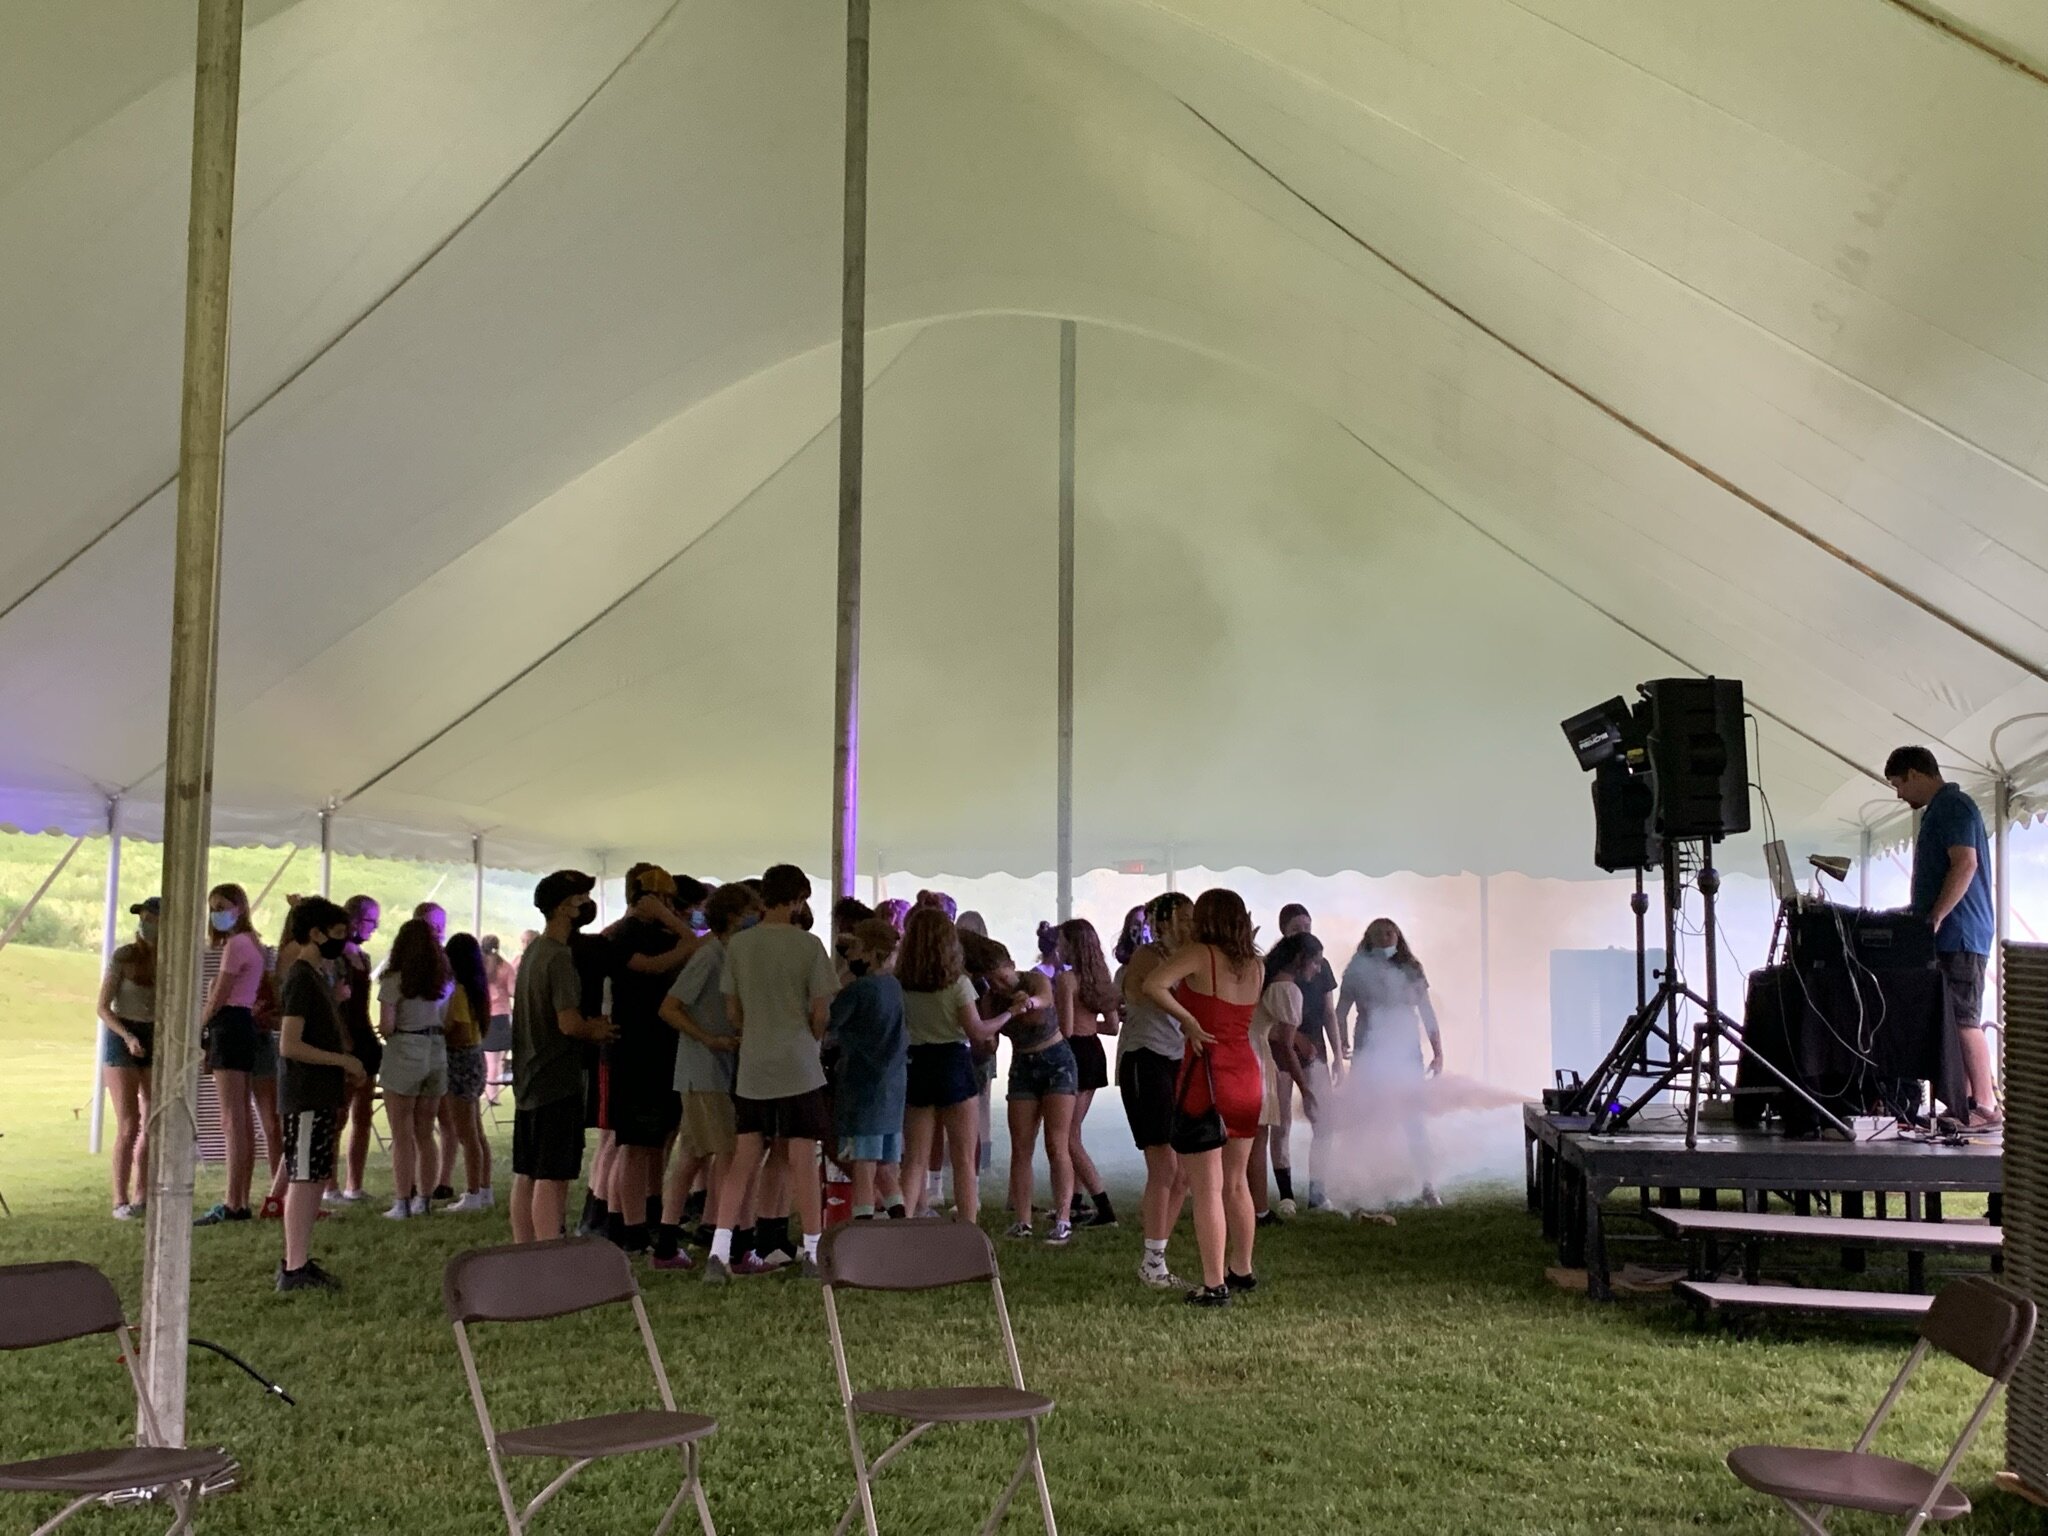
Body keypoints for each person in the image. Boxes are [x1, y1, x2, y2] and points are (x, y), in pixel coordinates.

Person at [703, 864, 839, 1283]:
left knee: (744, 1160)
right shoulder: (809, 946)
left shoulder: (740, 946)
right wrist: (809, 1037)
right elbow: (821, 1011)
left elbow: (731, 1010)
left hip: (754, 1066)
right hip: (799, 1065)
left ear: (762, 898)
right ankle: (814, 1252)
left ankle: (719, 1250)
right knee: (801, 1159)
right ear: (799, 899)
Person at [1142, 888, 1266, 1307]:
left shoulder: (1200, 954)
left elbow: (1152, 984)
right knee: (1237, 1182)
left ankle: (1214, 1284)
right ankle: (1242, 1267)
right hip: (1246, 1073)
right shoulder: (1255, 964)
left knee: (1207, 1187)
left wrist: (1189, 1021)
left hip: (1206, 1072)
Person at [1888, 746, 2001, 1129]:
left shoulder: (1954, 806)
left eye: (1899, 784)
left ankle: (1984, 1105)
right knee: (1952, 1020)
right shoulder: (1940, 810)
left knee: (1966, 1018)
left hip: (1961, 933)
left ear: (1916, 774)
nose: (1899, 795)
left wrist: (1935, 917)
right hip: (1948, 933)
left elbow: (1965, 863)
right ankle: (1961, 1103)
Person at [655, 882, 761, 1271]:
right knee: (730, 1156)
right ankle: (732, 1243)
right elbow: (670, 1008)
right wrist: (709, 1038)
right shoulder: (710, 955)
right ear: (733, 916)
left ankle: (668, 1243)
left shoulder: (734, 955)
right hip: (704, 1070)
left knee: (693, 1156)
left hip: (716, 1069)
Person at [510, 871, 616, 1243]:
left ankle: (524, 1248)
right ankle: (549, 1250)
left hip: (529, 1077)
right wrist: (596, 1029)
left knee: (527, 1171)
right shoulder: (558, 957)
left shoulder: (534, 952)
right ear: (562, 907)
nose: (586, 903)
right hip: (557, 1079)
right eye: (580, 897)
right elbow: (569, 1023)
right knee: (552, 1175)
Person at [605, 865, 700, 1252]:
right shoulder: (623, 937)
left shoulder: (662, 935)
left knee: (658, 1141)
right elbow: (660, 963)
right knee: (635, 1144)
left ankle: (650, 1213)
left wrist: (672, 926)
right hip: (634, 1050)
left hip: (663, 1049)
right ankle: (630, 1228)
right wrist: (677, 927)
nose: (669, 906)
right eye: (662, 899)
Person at [275, 897, 365, 1292]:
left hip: (319, 1093)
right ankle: (294, 1266)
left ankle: (300, 1260)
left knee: (312, 1175)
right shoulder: (300, 978)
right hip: (306, 1093)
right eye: (339, 933)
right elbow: (290, 1044)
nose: (344, 942)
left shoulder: (317, 975)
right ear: (316, 934)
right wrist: (342, 1062)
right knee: (304, 1177)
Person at [898, 907, 1009, 1225]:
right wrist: (1007, 1015)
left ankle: (902, 1227)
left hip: (916, 1064)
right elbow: (977, 1031)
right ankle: (968, 1231)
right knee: (963, 1158)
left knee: (915, 1159)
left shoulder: (902, 984)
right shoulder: (958, 984)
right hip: (953, 1065)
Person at [968, 933, 1073, 1242]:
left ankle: (1063, 1218)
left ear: (1012, 965)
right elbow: (989, 1039)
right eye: (992, 981)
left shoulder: (1035, 979)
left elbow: (1045, 999)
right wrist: (986, 1038)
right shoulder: (992, 999)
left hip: (1056, 1061)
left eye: (1001, 977)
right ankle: (1023, 1220)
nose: (999, 986)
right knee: (1021, 1146)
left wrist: (1026, 1002)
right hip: (1023, 1066)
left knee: (1057, 1143)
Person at [1337, 918, 1445, 1207]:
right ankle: (1358, 1185)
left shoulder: (1411, 968)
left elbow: (1426, 1010)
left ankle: (1427, 1186)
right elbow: (1341, 1009)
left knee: (1413, 1118)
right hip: (1367, 1050)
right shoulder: (1357, 969)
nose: (1386, 937)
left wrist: (1438, 1052)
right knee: (1365, 1116)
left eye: (1390, 932)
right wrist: (1342, 1042)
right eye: (1380, 933)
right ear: (1369, 938)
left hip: (1406, 1049)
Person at [1118, 892, 1192, 1288]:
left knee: (1184, 1173)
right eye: (1184, 918)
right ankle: (1153, 1260)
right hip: (1146, 1059)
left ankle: (1156, 1257)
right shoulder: (1150, 957)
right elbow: (1145, 989)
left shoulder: (1194, 956)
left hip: (1179, 1061)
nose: (1190, 925)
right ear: (1163, 923)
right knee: (1164, 1166)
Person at [828, 917, 909, 1221]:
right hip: (892, 1087)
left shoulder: (859, 990)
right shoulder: (893, 986)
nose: (850, 955)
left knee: (863, 1165)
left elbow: (828, 1022)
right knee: (886, 1168)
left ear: (873, 952)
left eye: (856, 948)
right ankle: (899, 1221)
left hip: (863, 1089)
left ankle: (862, 1226)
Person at [196, 883, 267, 1226]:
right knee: (240, 1116)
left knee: (231, 1119)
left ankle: (233, 1200)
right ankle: (239, 1197)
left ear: (238, 907)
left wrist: (199, 1026)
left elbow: (219, 994)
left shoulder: (237, 944)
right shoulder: (252, 942)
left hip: (229, 1025)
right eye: (213, 907)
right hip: (242, 1025)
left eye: (222, 906)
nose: (216, 913)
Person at [378, 917, 452, 1219]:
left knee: (402, 1132)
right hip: (436, 1052)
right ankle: (424, 1199)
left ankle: (402, 1201)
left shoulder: (393, 979)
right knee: (425, 1132)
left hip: (404, 1051)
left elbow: (387, 1025)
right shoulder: (444, 981)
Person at [1251, 933, 1322, 1224]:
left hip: (1246, 1053)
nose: (1317, 968)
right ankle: (1259, 1210)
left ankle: (1251, 1205)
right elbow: (1287, 1046)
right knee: (1258, 1136)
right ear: (1300, 959)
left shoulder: (1264, 979)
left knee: (1252, 1137)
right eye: (1315, 961)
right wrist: (1305, 1089)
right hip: (1256, 1059)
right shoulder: (1289, 991)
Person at [1055, 917, 1120, 1230]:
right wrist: (1088, 1024)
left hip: (1075, 1055)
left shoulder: (1067, 980)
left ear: (1071, 945)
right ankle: (1076, 1200)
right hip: (1094, 1052)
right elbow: (1112, 1025)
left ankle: (1103, 1204)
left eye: (1061, 941)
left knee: (1067, 1137)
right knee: (1074, 1131)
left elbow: (1066, 1029)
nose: (1057, 947)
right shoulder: (1100, 977)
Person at [97, 896, 159, 1219]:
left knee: (152, 1120)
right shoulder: (124, 956)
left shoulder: (170, 961)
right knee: (129, 1123)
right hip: (123, 1036)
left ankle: (142, 1194)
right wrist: (127, 1036)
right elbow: (102, 1007)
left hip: (154, 1035)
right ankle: (119, 1199)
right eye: (144, 918)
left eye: (152, 918)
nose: (146, 923)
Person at [1277, 905, 1338, 1209]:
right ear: (1285, 932)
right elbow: (1267, 1015)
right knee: (1281, 1122)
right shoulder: (1275, 969)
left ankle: (1317, 1192)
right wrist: (1294, 1036)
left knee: (1323, 1119)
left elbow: (1329, 1013)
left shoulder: (1321, 965)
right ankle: (1286, 1195)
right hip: (1280, 1051)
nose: (1304, 932)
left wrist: (1338, 1054)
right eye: (1297, 927)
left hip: (1315, 1048)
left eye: (1307, 926)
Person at [325, 895, 381, 1206]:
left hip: (365, 1037)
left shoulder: (364, 957)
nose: (375, 927)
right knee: (339, 1115)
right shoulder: (337, 958)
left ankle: (354, 1184)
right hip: (344, 1038)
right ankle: (330, 1184)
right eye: (372, 920)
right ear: (355, 921)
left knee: (363, 1114)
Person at [440, 932, 494, 1211]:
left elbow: (457, 1029)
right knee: (477, 1131)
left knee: (466, 1133)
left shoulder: (458, 990)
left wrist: (438, 1030)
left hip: (459, 1060)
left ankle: (473, 1192)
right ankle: (485, 1188)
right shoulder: (478, 989)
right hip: (475, 1057)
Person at [481, 934, 516, 1104]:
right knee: (499, 1058)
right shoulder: (506, 967)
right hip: (501, 1016)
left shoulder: (477, 967)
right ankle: (493, 1095)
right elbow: (513, 991)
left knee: (489, 1059)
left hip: (484, 1015)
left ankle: (489, 1092)